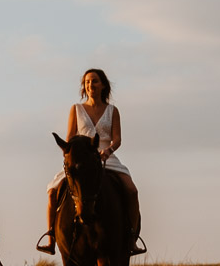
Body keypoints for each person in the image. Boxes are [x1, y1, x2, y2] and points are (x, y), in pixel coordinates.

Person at [38, 68, 142, 255]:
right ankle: (51, 238)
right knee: (53, 191)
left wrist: (107, 151)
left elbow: (117, 139)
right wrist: (72, 154)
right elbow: (70, 137)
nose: (90, 85)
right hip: (82, 157)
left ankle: (132, 238)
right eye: (87, 82)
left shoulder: (112, 110)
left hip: (106, 156)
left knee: (132, 191)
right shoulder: (76, 109)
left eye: (94, 81)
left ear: (103, 85)